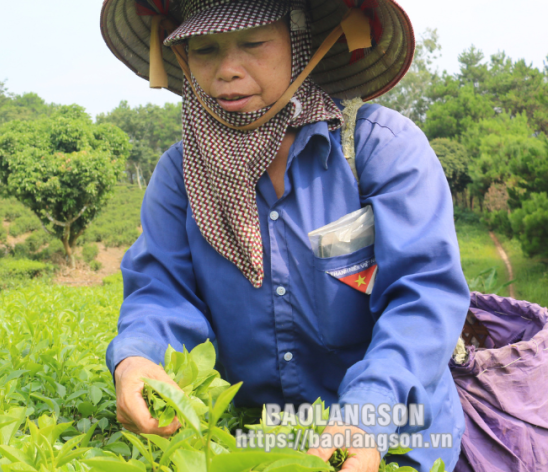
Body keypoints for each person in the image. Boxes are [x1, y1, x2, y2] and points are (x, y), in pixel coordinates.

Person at [100, 1, 469, 471]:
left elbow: (424, 294)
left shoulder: (379, 148)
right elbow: (163, 291)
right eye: (205, 49)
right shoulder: (181, 174)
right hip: (265, 440)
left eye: (253, 43)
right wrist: (137, 357)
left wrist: (368, 411)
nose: (228, 70)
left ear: (300, 43)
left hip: (395, 432)